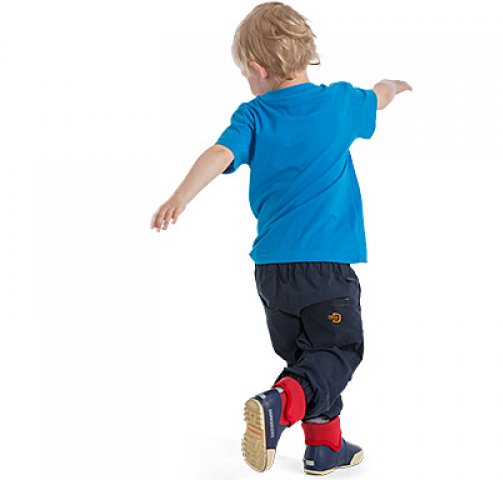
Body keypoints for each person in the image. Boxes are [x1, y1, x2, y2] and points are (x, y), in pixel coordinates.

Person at [150, 1, 412, 475]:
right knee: (337, 353)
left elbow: (219, 153)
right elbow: (379, 96)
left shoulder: (253, 116)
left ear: (258, 69)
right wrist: (393, 84)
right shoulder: (338, 103)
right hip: (325, 270)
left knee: (310, 362)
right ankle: (279, 404)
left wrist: (180, 197)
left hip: (272, 273)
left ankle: (325, 448)